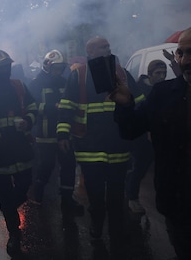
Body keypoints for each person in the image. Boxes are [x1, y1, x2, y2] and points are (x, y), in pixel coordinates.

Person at [111, 26, 191, 259]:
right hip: (186, 212)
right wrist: (125, 105)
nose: (184, 60)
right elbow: (130, 130)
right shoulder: (165, 94)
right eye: (181, 53)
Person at [56, 37, 143, 255]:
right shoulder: (79, 75)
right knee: (95, 196)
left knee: (116, 195)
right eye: (103, 47)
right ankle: (96, 225)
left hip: (118, 146)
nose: (108, 49)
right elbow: (66, 105)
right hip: (89, 147)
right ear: (90, 51)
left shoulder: (121, 73)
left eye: (108, 46)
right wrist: (63, 133)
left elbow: (139, 102)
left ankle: (117, 233)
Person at [0, 48, 38, 257]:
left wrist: (28, 120)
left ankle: (10, 208)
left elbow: (33, 107)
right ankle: (14, 234)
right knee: (4, 192)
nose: (6, 71)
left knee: (24, 185)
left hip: (21, 148)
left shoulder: (19, 86)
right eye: (1, 68)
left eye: (7, 67)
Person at [28, 50, 84, 215]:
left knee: (68, 165)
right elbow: (32, 106)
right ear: (47, 66)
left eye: (61, 68)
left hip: (64, 132)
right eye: (56, 68)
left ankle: (67, 200)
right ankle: (37, 193)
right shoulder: (36, 84)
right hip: (45, 133)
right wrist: (53, 108)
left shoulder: (65, 82)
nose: (58, 71)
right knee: (46, 166)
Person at [126, 60, 166, 214]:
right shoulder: (139, 89)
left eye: (164, 73)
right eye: (158, 73)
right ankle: (132, 198)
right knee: (140, 167)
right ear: (149, 74)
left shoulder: (163, 88)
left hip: (158, 135)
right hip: (141, 137)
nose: (161, 77)